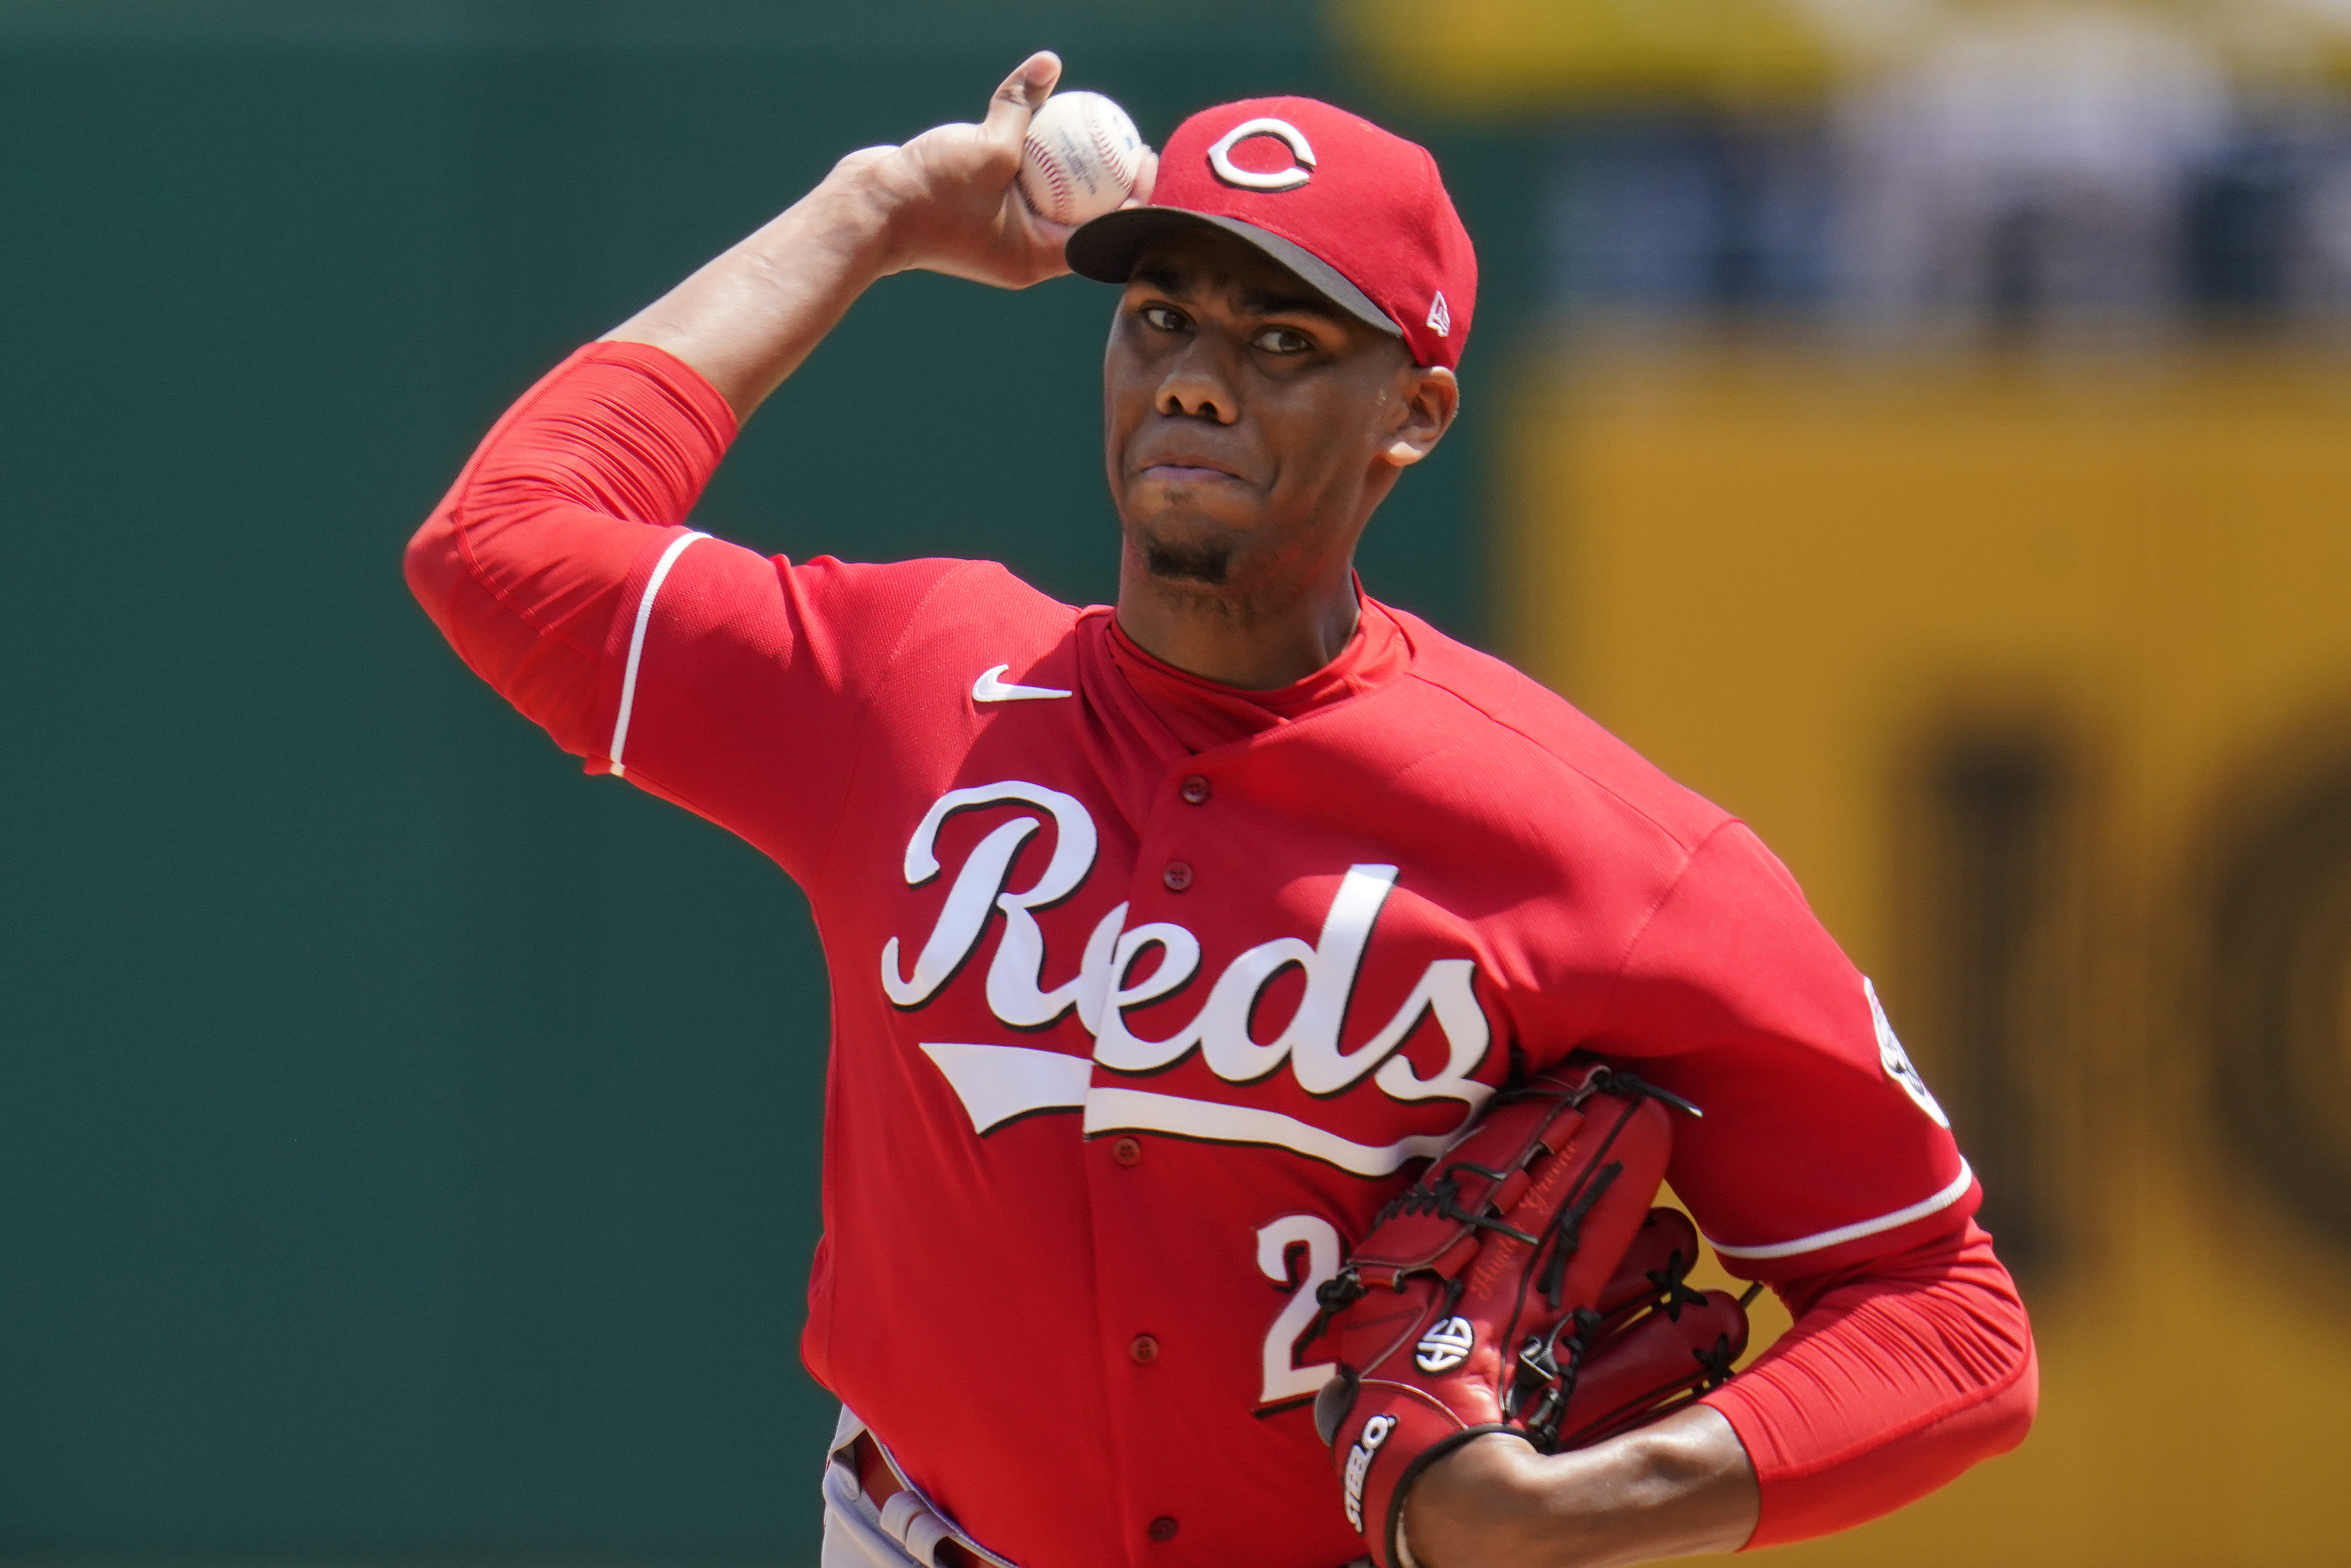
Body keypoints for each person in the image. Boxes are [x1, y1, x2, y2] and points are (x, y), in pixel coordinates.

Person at [406, 52, 2036, 1568]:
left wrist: (1583, 1508)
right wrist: (875, 213)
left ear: (1413, 412)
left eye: (1281, 343)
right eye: (1162, 320)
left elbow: (1949, 1317)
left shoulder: (1599, 850)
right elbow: (502, 545)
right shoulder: (908, 683)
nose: (1193, 380)